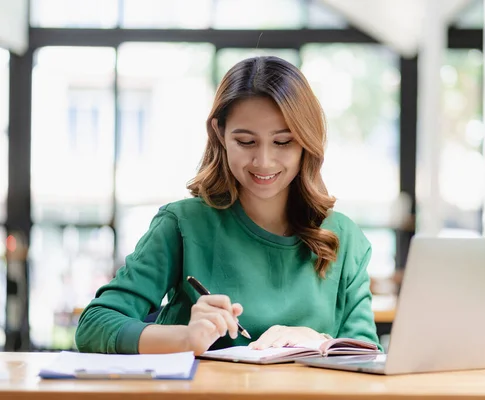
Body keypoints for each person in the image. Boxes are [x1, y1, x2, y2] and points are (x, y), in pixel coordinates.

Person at [75, 56, 381, 355]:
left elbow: (368, 353)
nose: (263, 161)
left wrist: (316, 340)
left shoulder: (343, 236)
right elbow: (94, 326)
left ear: (307, 141)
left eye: (283, 142)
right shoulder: (182, 224)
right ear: (220, 134)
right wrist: (185, 338)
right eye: (246, 142)